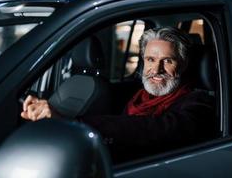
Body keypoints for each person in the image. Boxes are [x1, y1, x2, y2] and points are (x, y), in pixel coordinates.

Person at [21, 27, 217, 162]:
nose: (156, 69)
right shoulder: (138, 94)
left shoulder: (198, 104)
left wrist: (73, 123)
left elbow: (151, 129)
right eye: (150, 59)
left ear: (182, 64)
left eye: (167, 61)